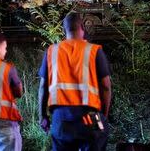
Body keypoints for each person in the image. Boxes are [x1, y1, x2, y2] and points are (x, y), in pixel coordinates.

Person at [38, 12, 112, 151]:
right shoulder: (94, 50)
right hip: (92, 115)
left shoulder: (52, 51)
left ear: (64, 30)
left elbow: (43, 87)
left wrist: (43, 116)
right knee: (100, 134)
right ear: (82, 28)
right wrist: (104, 115)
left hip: (61, 117)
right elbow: (106, 87)